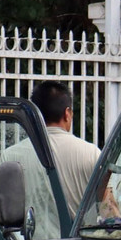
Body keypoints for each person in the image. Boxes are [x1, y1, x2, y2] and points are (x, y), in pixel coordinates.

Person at [31, 80, 103, 212]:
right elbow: (107, 206)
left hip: (28, 234)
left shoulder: (12, 155)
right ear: (67, 113)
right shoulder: (91, 153)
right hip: (76, 233)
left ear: (33, 114)